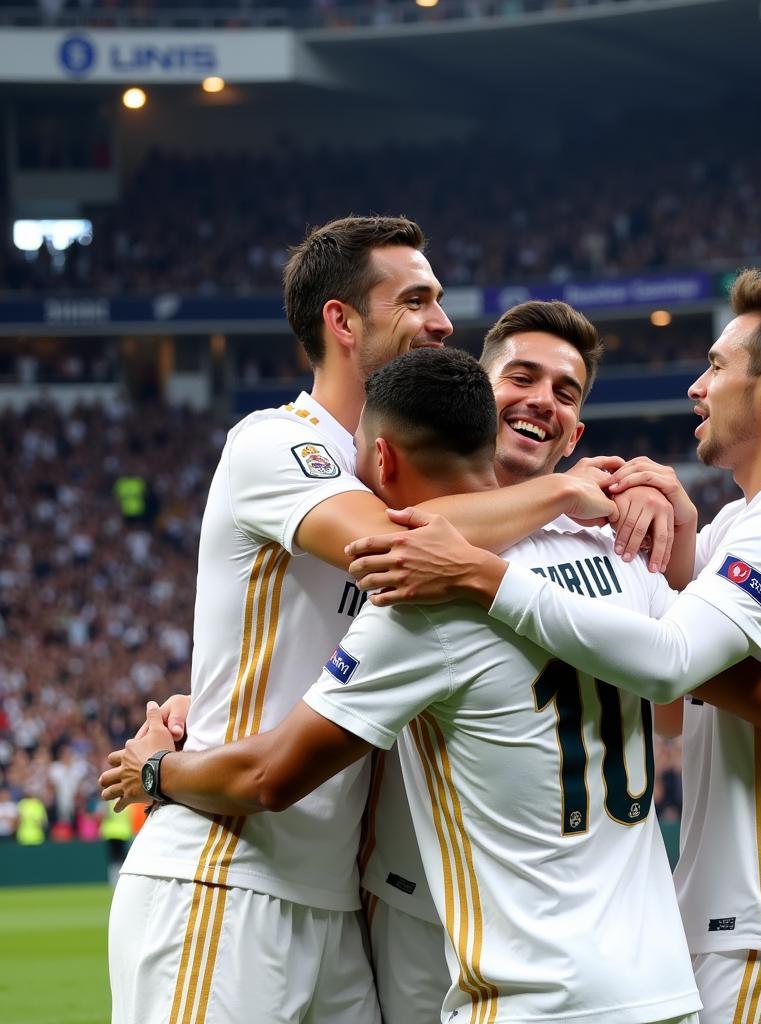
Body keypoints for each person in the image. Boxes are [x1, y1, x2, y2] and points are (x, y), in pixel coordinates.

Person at [107, 216, 621, 1024]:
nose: (443, 323)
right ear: (341, 322)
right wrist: (561, 492)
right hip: (227, 872)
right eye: (415, 300)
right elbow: (393, 550)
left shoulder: (410, 480)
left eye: (440, 300)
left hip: (340, 902)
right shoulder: (280, 443)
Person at [346, 269, 761, 1024]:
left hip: (662, 942)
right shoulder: (383, 505)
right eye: (522, 377)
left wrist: (558, 549)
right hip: (418, 901)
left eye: (566, 393)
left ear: (577, 435)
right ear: (473, 391)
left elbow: (674, 680)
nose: (543, 399)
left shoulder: (617, 545)